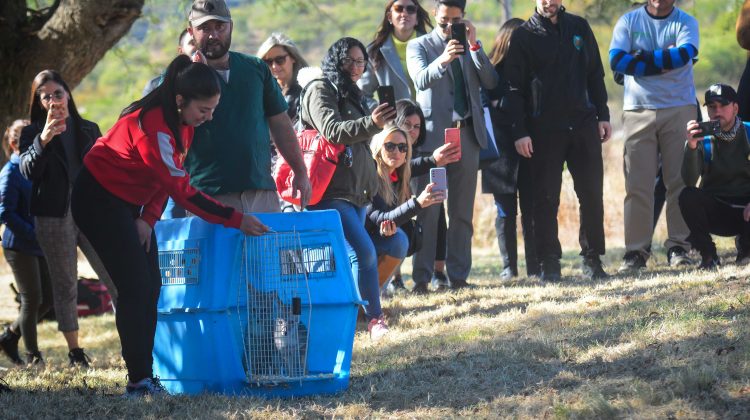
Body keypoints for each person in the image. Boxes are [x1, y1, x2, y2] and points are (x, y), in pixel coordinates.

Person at [71, 55, 265, 396]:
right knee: (135, 288)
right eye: (204, 110)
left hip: (128, 201)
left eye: (213, 109)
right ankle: (139, 380)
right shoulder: (153, 126)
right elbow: (183, 191)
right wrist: (237, 219)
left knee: (152, 286)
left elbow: (166, 179)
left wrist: (147, 219)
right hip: (97, 198)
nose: (209, 117)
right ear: (180, 101)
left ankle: (144, 374)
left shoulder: (183, 126)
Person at [504, 0, 611, 282]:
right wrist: (520, 132)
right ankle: (549, 262)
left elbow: (595, 74)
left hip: (584, 124)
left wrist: (603, 114)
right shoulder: (523, 35)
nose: (549, 2)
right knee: (545, 197)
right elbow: (513, 88)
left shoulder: (579, 27)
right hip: (544, 129)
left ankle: (592, 258)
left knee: (591, 193)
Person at [18, 69, 118, 367]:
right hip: (53, 217)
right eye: (45, 96)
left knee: (114, 276)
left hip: (91, 212)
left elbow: (106, 171)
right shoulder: (31, 133)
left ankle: (132, 340)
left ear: (68, 94)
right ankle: (75, 352)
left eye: (57, 94)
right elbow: (28, 172)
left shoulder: (89, 129)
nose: (53, 100)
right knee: (65, 285)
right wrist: (43, 139)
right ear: (38, 102)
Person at [299, 37, 396, 340]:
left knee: (349, 256)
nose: (355, 68)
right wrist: (372, 122)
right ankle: (375, 319)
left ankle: (347, 316)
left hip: (356, 192)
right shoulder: (320, 88)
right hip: (328, 191)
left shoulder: (352, 92)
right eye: (348, 61)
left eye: (360, 62)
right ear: (335, 61)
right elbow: (332, 131)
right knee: (364, 252)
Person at [406, 0, 498, 291]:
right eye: (444, 20)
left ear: (463, 18)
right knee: (429, 209)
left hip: (467, 135)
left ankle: (459, 276)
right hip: (433, 140)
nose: (448, 26)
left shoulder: (468, 44)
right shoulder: (419, 46)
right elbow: (420, 81)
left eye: (454, 20)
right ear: (434, 14)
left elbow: (491, 81)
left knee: (461, 211)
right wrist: (444, 59)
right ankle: (421, 278)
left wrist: (474, 46)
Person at [185, 0, 311, 212]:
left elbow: (280, 123)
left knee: (268, 246)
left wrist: (300, 171)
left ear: (231, 26)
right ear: (191, 32)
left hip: (261, 193)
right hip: (207, 196)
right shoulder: (181, 77)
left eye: (219, 26)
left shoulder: (255, 68)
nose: (213, 35)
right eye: (204, 28)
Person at [610, 0, 699, 272]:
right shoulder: (628, 22)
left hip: (679, 107)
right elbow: (616, 60)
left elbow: (683, 55)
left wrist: (640, 58)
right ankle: (636, 252)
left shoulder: (686, 22)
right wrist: (659, 59)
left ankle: (678, 248)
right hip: (638, 110)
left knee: (680, 181)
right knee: (638, 185)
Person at [482, 18, 538, 280]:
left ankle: (535, 266)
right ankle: (509, 267)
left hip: (530, 145)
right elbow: (484, 104)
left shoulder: (534, 68)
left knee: (531, 209)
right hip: (500, 151)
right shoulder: (490, 71)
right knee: (505, 211)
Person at [390, 99, 459, 292]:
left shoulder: (415, 148)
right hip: (384, 213)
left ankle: (437, 273)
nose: (412, 131)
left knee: (436, 215)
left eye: (417, 126)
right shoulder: (388, 146)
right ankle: (395, 279)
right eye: (407, 125)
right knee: (397, 224)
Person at [366, 124, 444, 291]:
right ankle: (370, 296)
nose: (397, 151)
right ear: (379, 147)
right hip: (357, 241)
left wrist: (435, 160)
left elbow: (414, 166)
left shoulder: (397, 175)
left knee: (399, 238)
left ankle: (376, 294)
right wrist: (417, 203)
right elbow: (379, 218)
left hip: (375, 237)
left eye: (402, 147)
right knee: (399, 240)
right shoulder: (370, 172)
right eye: (390, 146)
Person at [680, 84, 750, 270]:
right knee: (687, 196)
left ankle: (746, 248)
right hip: (717, 209)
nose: (717, 111)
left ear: (735, 108)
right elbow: (688, 180)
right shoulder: (703, 137)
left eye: (723, 105)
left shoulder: (749, 133)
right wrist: (692, 146)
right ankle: (708, 255)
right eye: (712, 106)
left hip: (746, 209)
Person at [0, 119, 52, 366]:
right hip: (19, 245)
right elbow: (5, 213)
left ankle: (9, 336)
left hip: (39, 243)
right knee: (32, 299)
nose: (29, 136)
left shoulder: (34, 167)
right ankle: (34, 356)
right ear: (12, 143)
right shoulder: (10, 172)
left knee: (48, 299)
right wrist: (32, 233)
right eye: (22, 135)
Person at [142, 28, 199, 219]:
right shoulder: (157, 86)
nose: (197, 48)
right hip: (171, 174)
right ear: (180, 50)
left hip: (204, 177)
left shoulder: (214, 84)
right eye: (192, 42)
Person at [358, 0, 432, 110]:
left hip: (431, 121)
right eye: (399, 8)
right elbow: (363, 95)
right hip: (395, 123)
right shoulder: (374, 52)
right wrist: (385, 113)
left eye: (410, 9)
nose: (405, 13)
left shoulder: (432, 46)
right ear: (389, 17)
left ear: (417, 18)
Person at [257, 33, 309, 122]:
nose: (274, 66)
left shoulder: (307, 92)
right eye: (268, 62)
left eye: (280, 60)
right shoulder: (259, 92)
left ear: (293, 58)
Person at [142, 28, 198, 96]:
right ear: (181, 51)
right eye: (193, 43)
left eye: (200, 43)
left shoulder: (214, 81)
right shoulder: (155, 86)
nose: (198, 47)